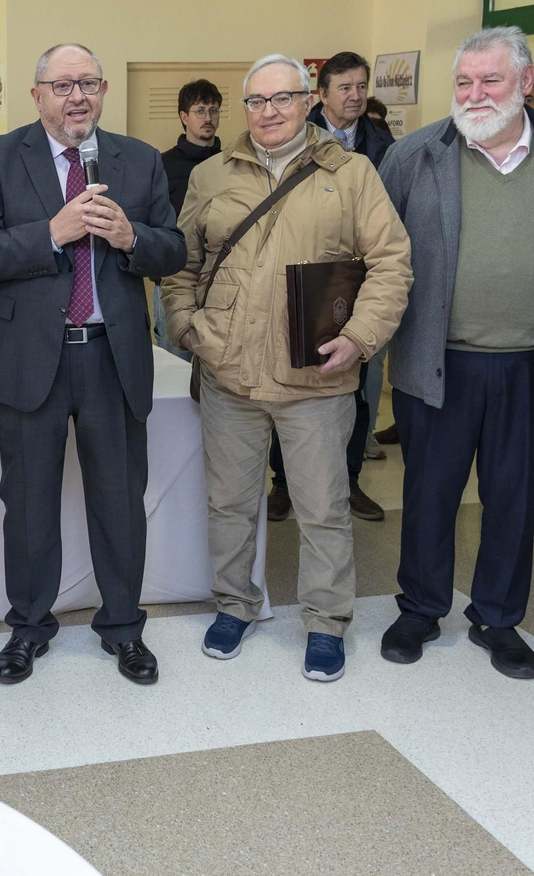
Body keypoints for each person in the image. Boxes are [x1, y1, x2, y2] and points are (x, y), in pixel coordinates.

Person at [163, 55, 411, 682]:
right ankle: (235, 605)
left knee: (323, 506)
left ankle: (326, 622)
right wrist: (186, 324)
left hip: (316, 378)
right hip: (229, 371)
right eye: (256, 101)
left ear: (308, 101)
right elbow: (181, 262)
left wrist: (359, 338)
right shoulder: (212, 174)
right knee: (229, 502)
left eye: (282, 98)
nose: (268, 112)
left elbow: (391, 264)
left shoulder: (351, 174)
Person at [378, 26, 534, 679]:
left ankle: (498, 618)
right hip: (438, 361)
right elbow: (383, 249)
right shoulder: (415, 154)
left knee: (512, 495)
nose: (475, 94)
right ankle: (420, 608)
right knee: (430, 493)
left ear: (526, 82)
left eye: (491, 80)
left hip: (532, 363)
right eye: (464, 82)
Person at [0, 43, 186, 686]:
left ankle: (123, 627)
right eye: (62, 85)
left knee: (119, 500)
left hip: (112, 360)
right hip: (32, 359)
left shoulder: (137, 160)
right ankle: (28, 628)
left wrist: (131, 238)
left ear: (104, 89)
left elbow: (173, 250)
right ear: (38, 95)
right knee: (28, 503)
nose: (76, 96)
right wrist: (50, 234)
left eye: (87, 83)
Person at [270, 52, 396, 523]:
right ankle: (283, 484)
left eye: (362, 86)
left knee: (356, 388)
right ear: (319, 95)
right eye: (345, 87)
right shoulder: (295, 137)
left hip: (356, 289)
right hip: (303, 284)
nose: (356, 95)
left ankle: (348, 483)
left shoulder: (383, 144)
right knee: (293, 387)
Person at [154, 80, 223, 360]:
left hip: (221, 284)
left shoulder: (234, 164)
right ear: (184, 117)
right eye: (200, 111)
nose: (208, 118)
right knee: (173, 372)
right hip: (172, 284)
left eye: (214, 110)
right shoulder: (161, 165)